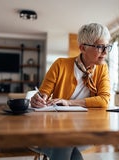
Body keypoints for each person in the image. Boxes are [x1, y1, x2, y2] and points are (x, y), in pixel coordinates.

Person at [30, 23, 112, 160]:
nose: (105, 52)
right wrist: (38, 99)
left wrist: (69, 102)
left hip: (86, 129)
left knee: (65, 143)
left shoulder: (102, 69)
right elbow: (43, 94)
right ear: (82, 48)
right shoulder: (60, 64)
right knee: (66, 143)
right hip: (56, 128)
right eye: (99, 47)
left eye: (107, 46)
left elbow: (104, 100)